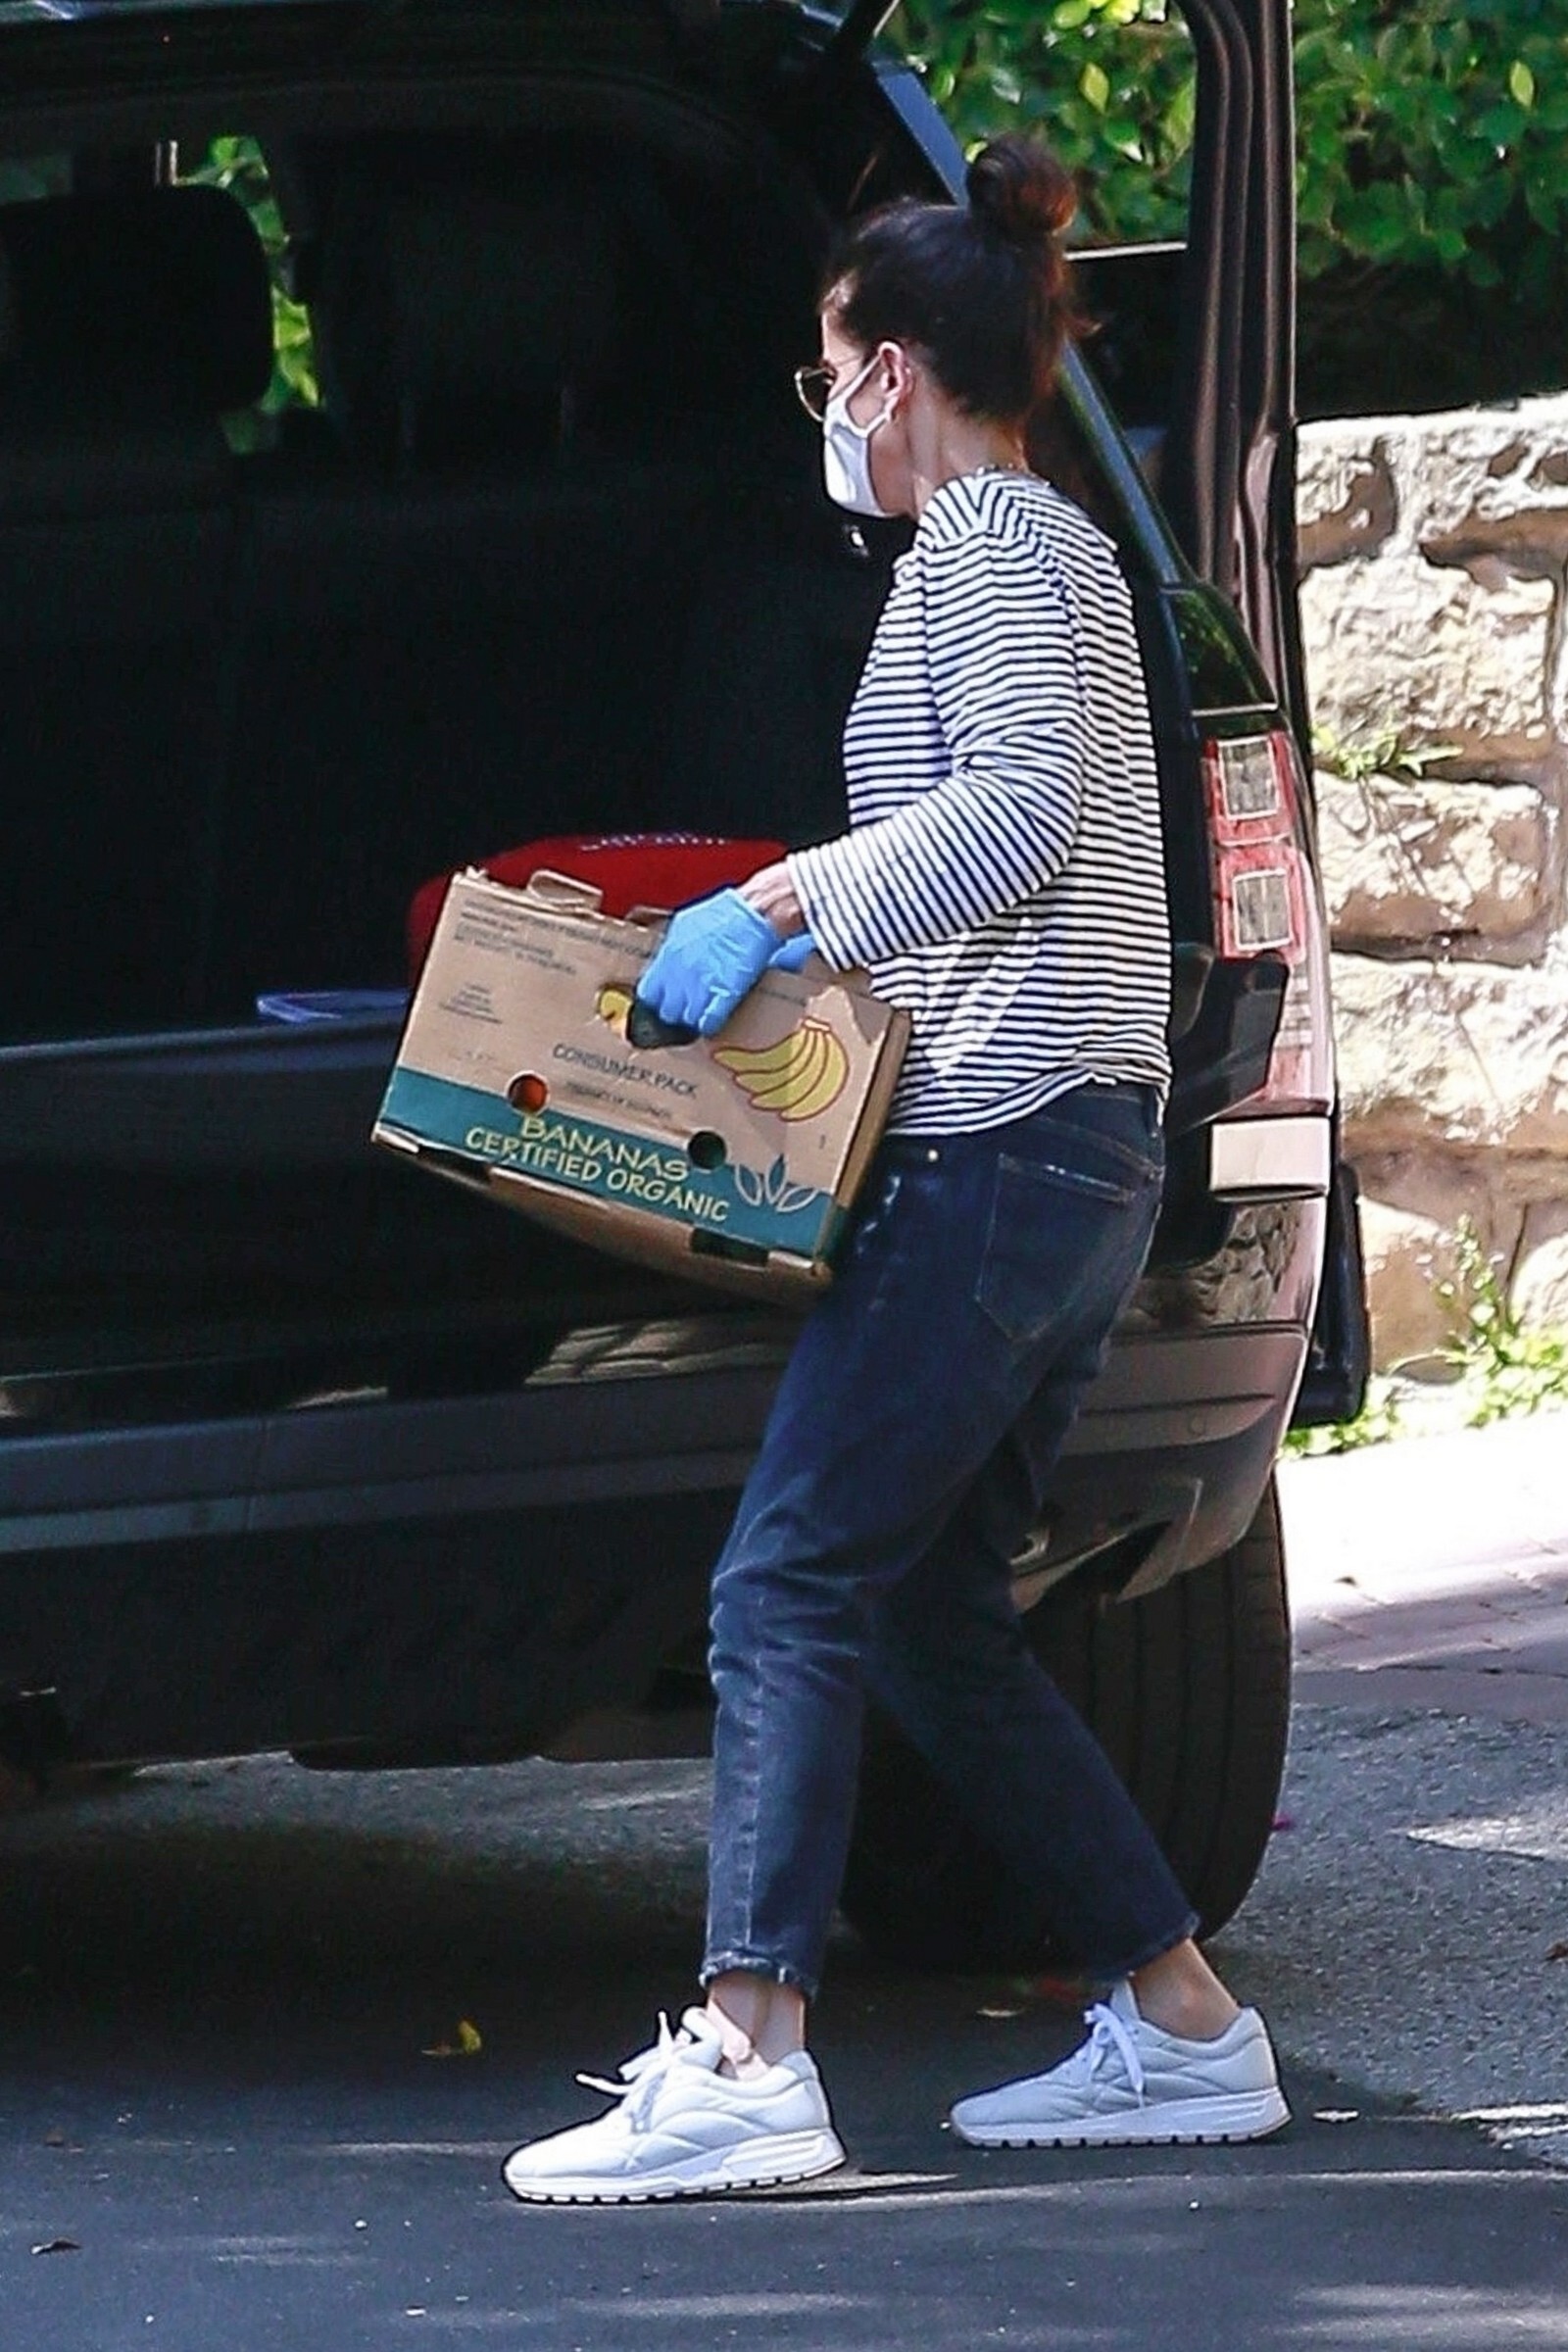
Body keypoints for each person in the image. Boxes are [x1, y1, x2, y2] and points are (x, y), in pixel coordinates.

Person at [502, 135, 1289, 2206]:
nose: (823, 411)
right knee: (933, 1611)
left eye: (824, 369)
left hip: (1001, 1160)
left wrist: (777, 905)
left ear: (887, 374)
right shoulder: (1056, 550)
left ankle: (748, 2053)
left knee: (783, 1580)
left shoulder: (990, 552)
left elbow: (1016, 818)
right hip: (1072, 1160)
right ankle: (1183, 2026)